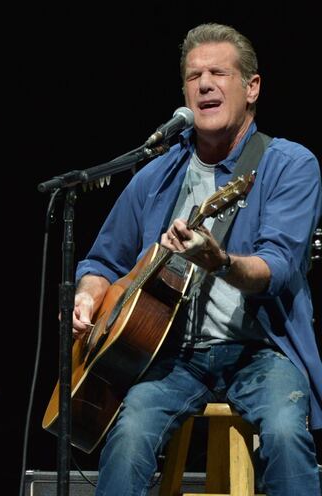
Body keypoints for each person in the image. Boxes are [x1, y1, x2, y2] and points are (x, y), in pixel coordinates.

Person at [71, 23, 322, 495]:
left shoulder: (289, 165)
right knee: (126, 436)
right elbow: (102, 261)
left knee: (287, 433)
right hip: (173, 359)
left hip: (261, 353)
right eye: (194, 76)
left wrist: (221, 261)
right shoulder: (156, 174)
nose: (204, 83)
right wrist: (88, 298)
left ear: (252, 88)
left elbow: (279, 268)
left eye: (218, 73)